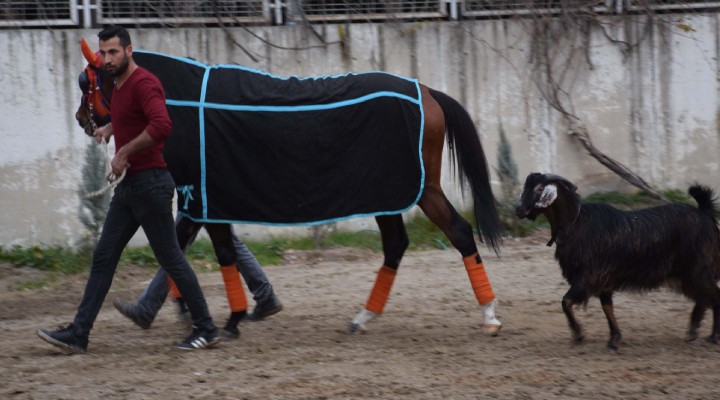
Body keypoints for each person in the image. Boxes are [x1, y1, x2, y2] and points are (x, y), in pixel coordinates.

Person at [37, 25, 220, 352]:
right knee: (103, 257)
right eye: (103, 53)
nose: (106, 59)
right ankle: (79, 334)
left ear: (129, 51)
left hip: (150, 185)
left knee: (171, 259)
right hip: (131, 189)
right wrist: (110, 128)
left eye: (113, 52)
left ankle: (206, 328)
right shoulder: (118, 86)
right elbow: (132, 119)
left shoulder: (144, 83)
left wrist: (123, 152)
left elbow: (162, 125)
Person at [114, 216, 283, 339]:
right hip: (203, 185)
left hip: (203, 187)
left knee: (177, 244)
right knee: (220, 240)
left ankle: (153, 307)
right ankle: (263, 297)